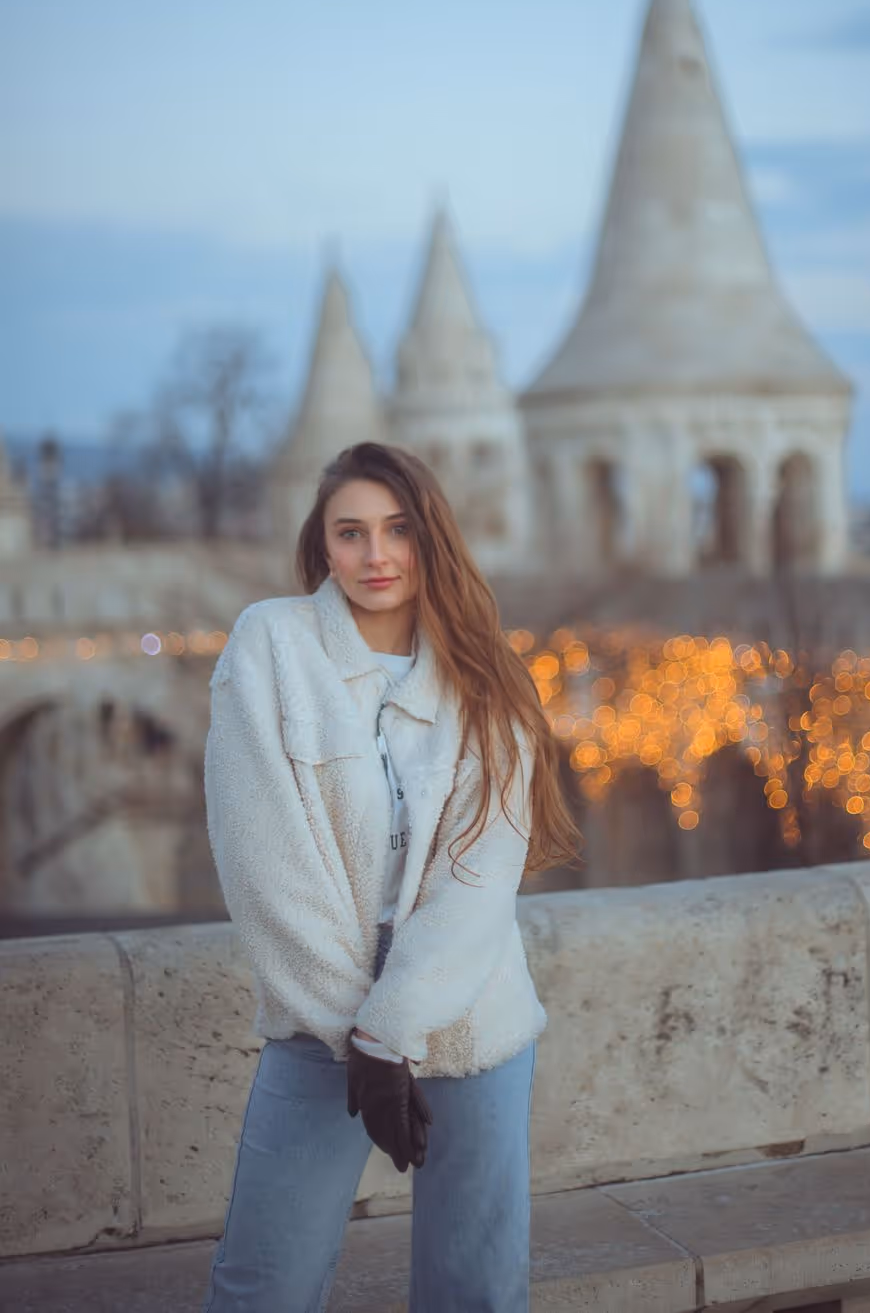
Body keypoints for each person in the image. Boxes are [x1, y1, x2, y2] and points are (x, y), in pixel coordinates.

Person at [201, 441, 580, 1312]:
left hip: (472, 1011)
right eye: (351, 533)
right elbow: (264, 865)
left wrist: (395, 1025)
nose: (377, 556)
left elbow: (480, 875)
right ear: (323, 546)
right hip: (317, 1014)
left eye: (398, 530)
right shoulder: (272, 645)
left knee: (476, 1289)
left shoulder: (488, 678)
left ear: (431, 538)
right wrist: (359, 1039)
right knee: (266, 1282)